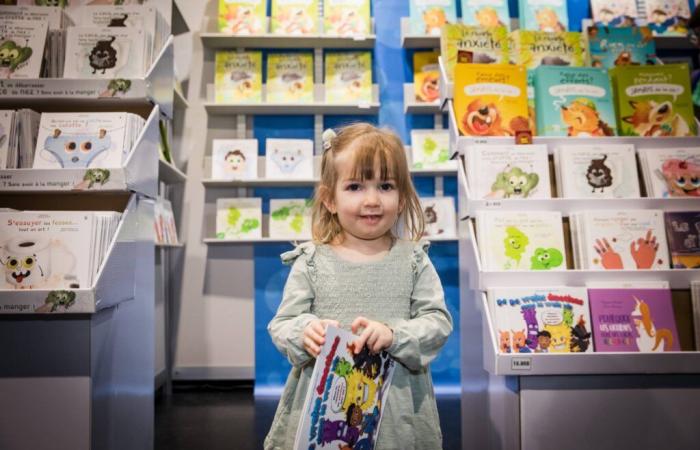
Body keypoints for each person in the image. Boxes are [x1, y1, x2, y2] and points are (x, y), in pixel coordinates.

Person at [264, 123, 453, 449]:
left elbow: (437, 323)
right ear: (329, 199)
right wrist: (305, 330)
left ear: (402, 194)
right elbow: (282, 324)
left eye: (385, 186)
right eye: (354, 187)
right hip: (323, 410)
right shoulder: (311, 260)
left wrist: (394, 335)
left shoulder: (414, 260)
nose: (372, 200)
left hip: (397, 411)